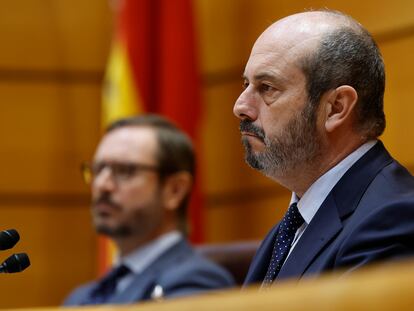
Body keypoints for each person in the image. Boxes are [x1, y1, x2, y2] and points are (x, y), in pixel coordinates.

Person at [233, 9, 414, 287]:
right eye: (246, 84)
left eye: (267, 87)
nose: (240, 107)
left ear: (336, 108)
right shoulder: (290, 228)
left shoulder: (392, 219)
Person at [64, 114, 234, 305]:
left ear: (174, 190)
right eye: (98, 169)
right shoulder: (80, 298)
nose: (102, 184)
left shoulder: (197, 283)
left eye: (125, 170)